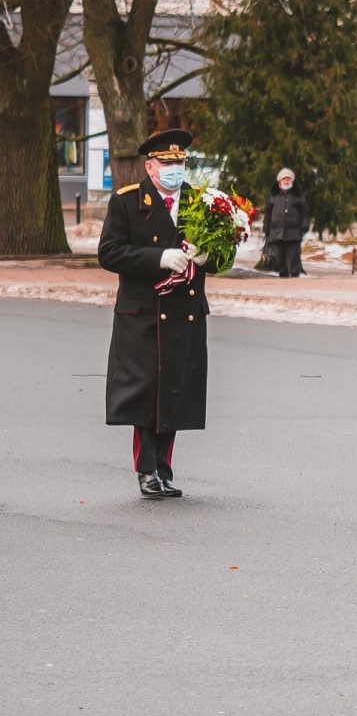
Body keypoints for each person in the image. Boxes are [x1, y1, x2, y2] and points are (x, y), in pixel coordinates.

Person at [97, 129, 210, 499]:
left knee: (174, 391)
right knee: (147, 392)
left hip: (184, 311)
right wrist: (158, 258)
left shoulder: (199, 202)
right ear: (150, 166)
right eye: (168, 163)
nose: (176, 169)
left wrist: (211, 257)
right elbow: (109, 253)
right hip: (142, 311)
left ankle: (164, 467)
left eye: (181, 162)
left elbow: (220, 250)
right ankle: (146, 469)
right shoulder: (128, 201)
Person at [263, 168, 309, 278]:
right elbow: (268, 212)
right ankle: (283, 272)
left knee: (293, 254)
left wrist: (305, 224)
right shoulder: (274, 195)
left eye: (288, 179)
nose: (286, 181)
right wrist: (266, 226)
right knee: (279, 255)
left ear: (292, 181)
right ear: (280, 181)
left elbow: (304, 211)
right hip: (276, 230)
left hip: (294, 231)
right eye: (284, 179)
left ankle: (294, 273)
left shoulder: (297, 195)